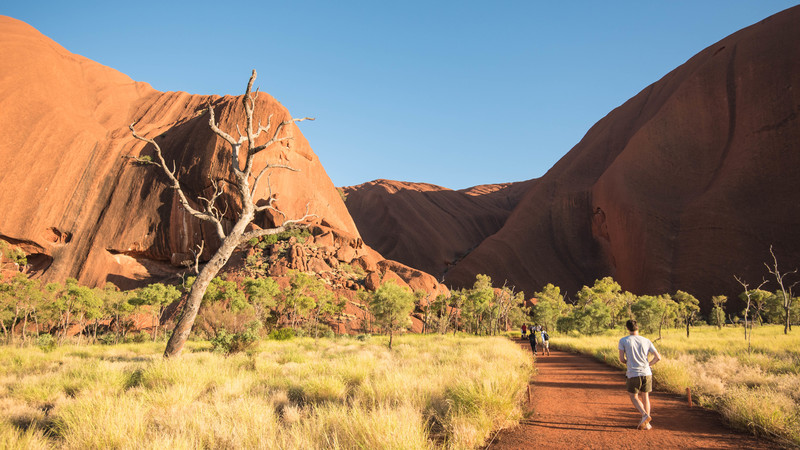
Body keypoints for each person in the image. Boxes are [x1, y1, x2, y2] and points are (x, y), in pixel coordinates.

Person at [618, 319, 662, 430]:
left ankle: (644, 415)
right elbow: (658, 357)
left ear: (627, 328)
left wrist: (629, 362)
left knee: (633, 397)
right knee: (645, 397)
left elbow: (621, 359)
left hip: (633, 373)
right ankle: (646, 424)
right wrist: (648, 364)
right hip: (647, 372)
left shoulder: (623, 341)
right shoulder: (646, 340)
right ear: (637, 327)